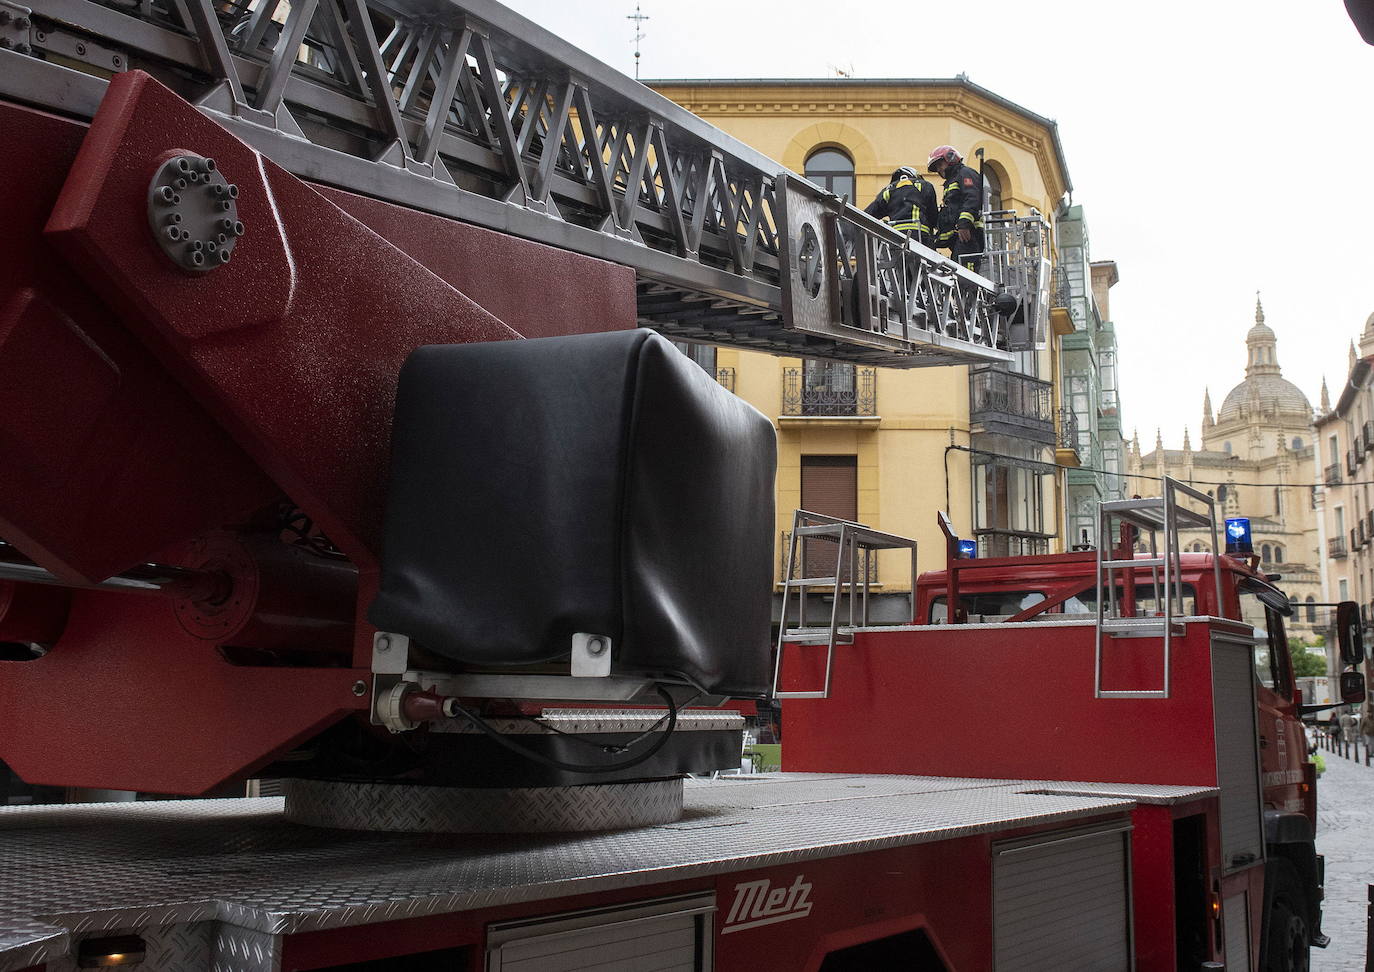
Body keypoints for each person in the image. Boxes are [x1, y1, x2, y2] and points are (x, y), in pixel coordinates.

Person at [927, 145, 985, 272]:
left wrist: (964, 224)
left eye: (940, 165)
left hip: (969, 237)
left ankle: (970, 292)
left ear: (950, 158)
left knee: (966, 276)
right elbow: (951, 213)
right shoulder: (951, 181)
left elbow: (972, 198)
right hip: (959, 239)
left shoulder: (965, 173)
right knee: (957, 273)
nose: (939, 170)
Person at [863, 166, 937, 247]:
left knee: (899, 258)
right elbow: (933, 216)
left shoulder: (888, 190)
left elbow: (870, 213)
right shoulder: (924, 185)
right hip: (920, 237)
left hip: (896, 237)